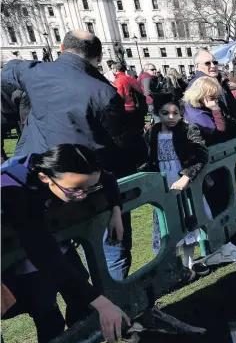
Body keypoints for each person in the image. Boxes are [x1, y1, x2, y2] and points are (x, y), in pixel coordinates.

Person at [1, 30, 136, 280]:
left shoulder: (35, 72)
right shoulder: (102, 93)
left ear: (62, 48)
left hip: (45, 181)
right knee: (109, 248)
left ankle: (97, 308)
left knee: (55, 254)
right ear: (98, 55)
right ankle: (115, 304)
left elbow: (8, 72)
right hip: (77, 181)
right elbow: (124, 148)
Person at [1, 144, 131, 343]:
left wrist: (116, 210)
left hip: (54, 242)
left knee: (79, 295)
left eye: (89, 188)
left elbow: (106, 178)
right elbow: (42, 251)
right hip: (22, 253)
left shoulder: (64, 170)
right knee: (45, 306)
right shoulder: (12, 190)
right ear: (45, 178)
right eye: (76, 190)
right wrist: (102, 303)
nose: (83, 196)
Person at [142, 93, 210, 280]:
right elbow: (149, 157)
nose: (170, 118)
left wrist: (186, 176)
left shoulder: (189, 130)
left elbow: (202, 154)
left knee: (188, 223)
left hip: (182, 182)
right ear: (158, 113)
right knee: (167, 224)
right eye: (165, 113)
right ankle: (174, 266)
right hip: (163, 183)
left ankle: (189, 265)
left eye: (175, 113)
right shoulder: (152, 132)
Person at [188, 49, 236, 137]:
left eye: (215, 62)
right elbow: (221, 116)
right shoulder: (198, 86)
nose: (213, 66)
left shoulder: (221, 82)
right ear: (197, 67)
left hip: (234, 136)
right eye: (207, 63)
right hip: (217, 141)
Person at [183, 77, 228, 146]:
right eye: (212, 97)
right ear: (200, 95)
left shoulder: (189, 105)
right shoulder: (200, 115)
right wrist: (216, 110)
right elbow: (219, 136)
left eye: (217, 97)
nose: (215, 101)